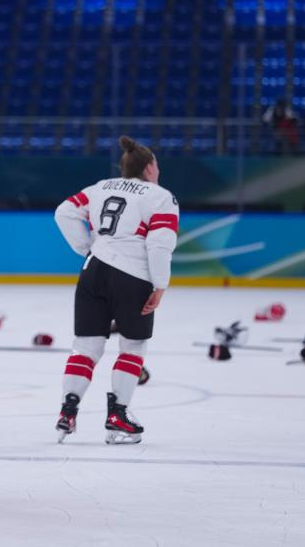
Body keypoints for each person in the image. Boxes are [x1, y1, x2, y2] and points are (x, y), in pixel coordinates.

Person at [53, 135, 179, 445]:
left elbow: (64, 212)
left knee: (86, 347)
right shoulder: (160, 196)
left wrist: (87, 247)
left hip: (93, 271)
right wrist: (160, 285)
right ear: (149, 168)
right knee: (133, 347)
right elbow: (159, 244)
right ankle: (118, 415)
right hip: (133, 275)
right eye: (156, 165)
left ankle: (67, 411)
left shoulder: (100, 187)